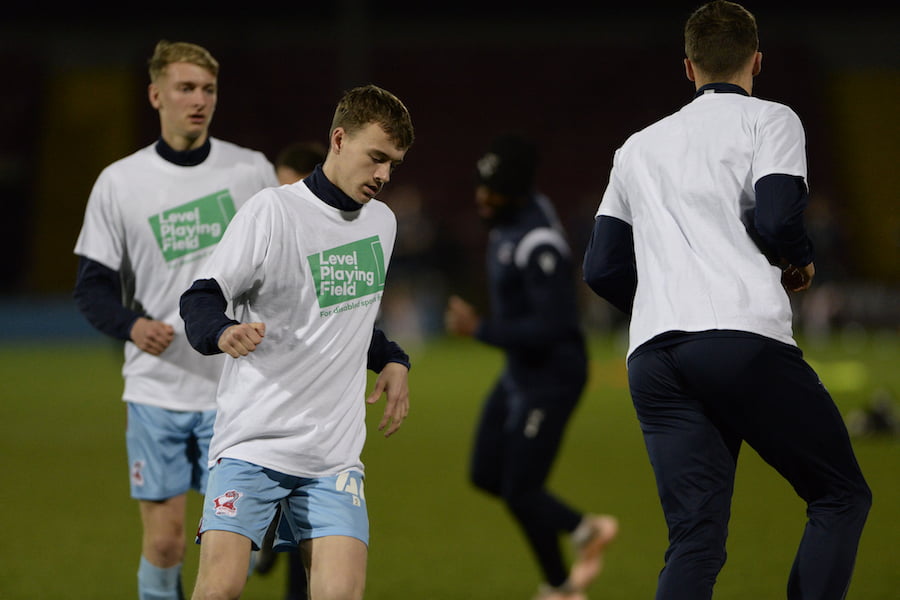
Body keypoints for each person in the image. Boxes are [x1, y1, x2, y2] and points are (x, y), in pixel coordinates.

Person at [582, 2, 872, 599]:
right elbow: (778, 217)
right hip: (741, 339)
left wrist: (663, 304)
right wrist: (800, 259)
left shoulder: (636, 147)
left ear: (688, 67)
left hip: (654, 358)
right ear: (756, 61)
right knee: (840, 495)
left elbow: (601, 267)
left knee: (694, 539)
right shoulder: (771, 120)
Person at [179, 83, 414, 600]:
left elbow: (346, 318)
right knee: (219, 589)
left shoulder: (382, 223)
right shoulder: (272, 212)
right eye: (376, 157)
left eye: (393, 164)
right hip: (254, 443)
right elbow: (199, 298)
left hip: (332, 458)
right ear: (339, 140)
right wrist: (223, 331)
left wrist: (393, 359)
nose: (383, 175)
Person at [72, 40, 279, 600]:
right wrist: (132, 326)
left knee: (229, 549)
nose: (199, 100)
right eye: (186, 88)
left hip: (234, 389)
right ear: (155, 95)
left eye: (208, 89)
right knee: (165, 544)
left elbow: (283, 260)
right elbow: (91, 287)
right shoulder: (120, 182)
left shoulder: (250, 169)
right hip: (157, 388)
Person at [445, 133, 618, 600]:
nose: (482, 197)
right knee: (486, 474)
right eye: (481, 186)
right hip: (521, 371)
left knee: (521, 489)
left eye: (493, 190)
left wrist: (478, 329)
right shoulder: (508, 218)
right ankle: (579, 538)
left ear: (517, 191)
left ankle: (564, 577)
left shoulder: (539, 243)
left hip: (552, 377)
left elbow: (552, 328)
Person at [252, 140, 326, 600]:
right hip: (265, 389)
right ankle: (265, 528)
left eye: (289, 186)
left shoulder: (335, 235)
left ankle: (271, 532)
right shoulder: (264, 228)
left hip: (315, 394)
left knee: (309, 514)